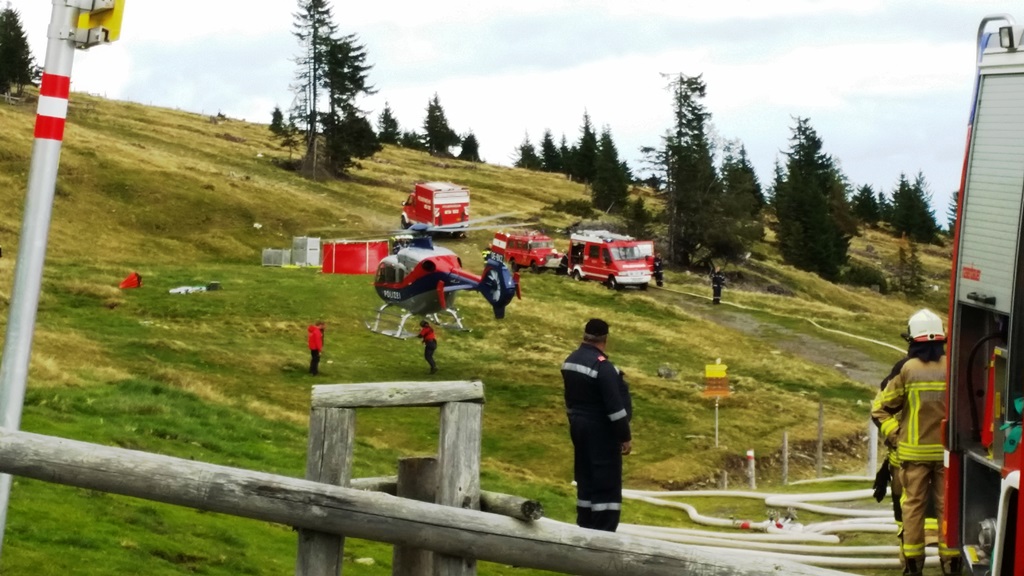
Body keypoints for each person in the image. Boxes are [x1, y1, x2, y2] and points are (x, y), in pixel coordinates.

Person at [871, 309, 961, 576]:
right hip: (947, 454)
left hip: (913, 455)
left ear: (912, 340)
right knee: (947, 508)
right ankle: (952, 564)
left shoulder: (906, 369)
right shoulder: (953, 367)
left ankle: (913, 566)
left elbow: (880, 409)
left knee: (912, 509)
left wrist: (896, 435)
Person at [560, 318, 632, 532]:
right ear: (605, 339)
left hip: (578, 427)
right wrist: (624, 437)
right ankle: (604, 529)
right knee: (605, 480)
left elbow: (569, 399)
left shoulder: (571, 360)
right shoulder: (603, 367)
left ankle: (585, 523)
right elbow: (615, 409)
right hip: (601, 431)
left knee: (585, 476)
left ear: (585, 336)